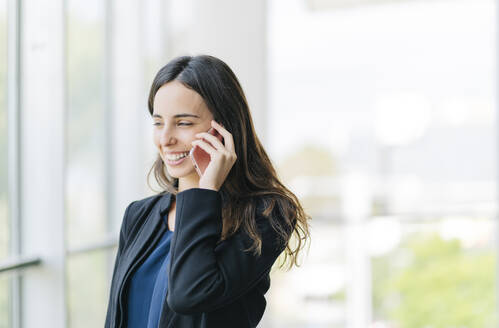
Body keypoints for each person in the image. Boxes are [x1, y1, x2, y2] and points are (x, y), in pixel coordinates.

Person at [104, 54, 310, 328]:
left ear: (223, 128)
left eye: (184, 123)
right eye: (157, 122)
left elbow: (188, 295)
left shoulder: (266, 216)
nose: (165, 138)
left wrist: (205, 189)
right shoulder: (139, 215)